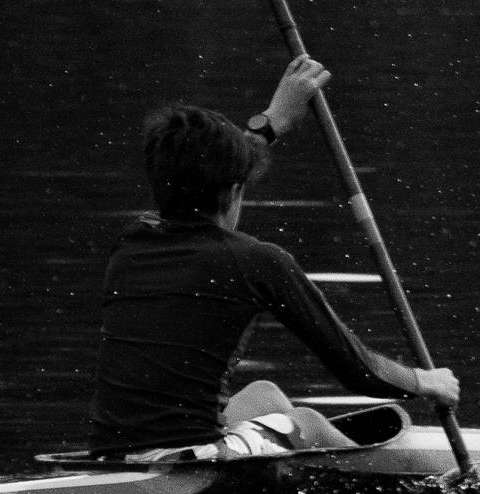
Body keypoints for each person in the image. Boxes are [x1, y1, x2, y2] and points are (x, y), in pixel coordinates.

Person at [87, 55, 459, 460]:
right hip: (184, 461)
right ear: (232, 190)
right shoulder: (255, 261)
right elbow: (359, 371)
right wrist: (426, 382)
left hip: (109, 453)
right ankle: (402, 493)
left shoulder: (130, 244)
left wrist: (269, 123)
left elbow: (199, 172)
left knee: (263, 396)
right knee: (310, 423)